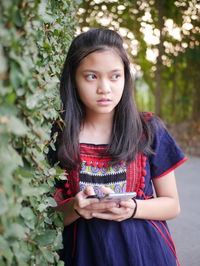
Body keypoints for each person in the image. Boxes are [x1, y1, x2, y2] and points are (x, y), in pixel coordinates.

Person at [47, 28, 187, 266]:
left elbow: (172, 204)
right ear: (73, 79)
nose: (105, 88)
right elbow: (47, 218)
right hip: (83, 254)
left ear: (125, 77)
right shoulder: (56, 136)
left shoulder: (149, 130)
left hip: (145, 252)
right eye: (91, 76)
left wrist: (132, 208)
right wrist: (75, 208)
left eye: (115, 76)